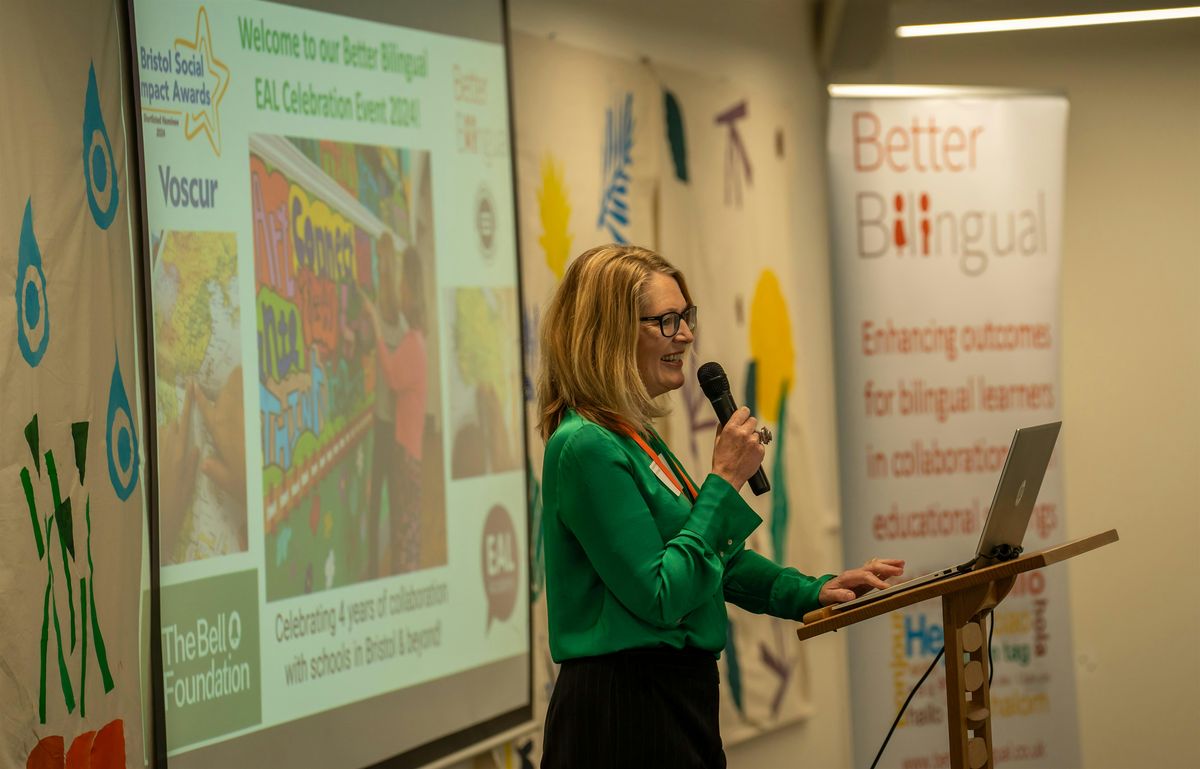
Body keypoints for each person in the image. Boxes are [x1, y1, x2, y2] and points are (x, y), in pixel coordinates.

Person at [537, 245, 904, 768]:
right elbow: (662, 594)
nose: (686, 335)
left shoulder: (634, 437)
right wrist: (725, 480)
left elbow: (716, 562)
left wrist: (814, 591)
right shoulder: (585, 446)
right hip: (625, 709)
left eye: (687, 316)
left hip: (676, 697)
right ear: (611, 332)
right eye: (666, 321)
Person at [360, 235, 427, 576]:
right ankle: (390, 571)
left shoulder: (408, 335)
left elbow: (392, 374)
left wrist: (373, 322)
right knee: (396, 511)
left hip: (398, 436)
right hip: (397, 434)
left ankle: (400, 575)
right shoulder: (409, 333)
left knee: (402, 516)